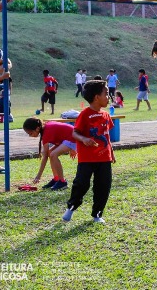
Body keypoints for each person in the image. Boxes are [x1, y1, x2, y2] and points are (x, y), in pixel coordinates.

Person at [62, 80, 115, 224]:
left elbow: (107, 136)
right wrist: (84, 139)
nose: (108, 97)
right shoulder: (85, 114)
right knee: (81, 184)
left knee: (103, 186)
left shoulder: (106, 115)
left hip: (105, 158)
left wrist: (112, 152)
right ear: (97, 97)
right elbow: (75, 133)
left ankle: (97, 214)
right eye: (106, 94)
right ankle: (71, 207)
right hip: (87, 159)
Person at [23, 118, 77, 190]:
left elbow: (44, 157)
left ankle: (62, 182)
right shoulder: (45, 128)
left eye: (31, 133)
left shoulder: (46, 132)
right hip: (69, 138)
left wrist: (38, 176)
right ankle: (56, 179)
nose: (30, 136)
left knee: (53, 154)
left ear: (37, 128)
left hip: (75, 137)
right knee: (51, 153)